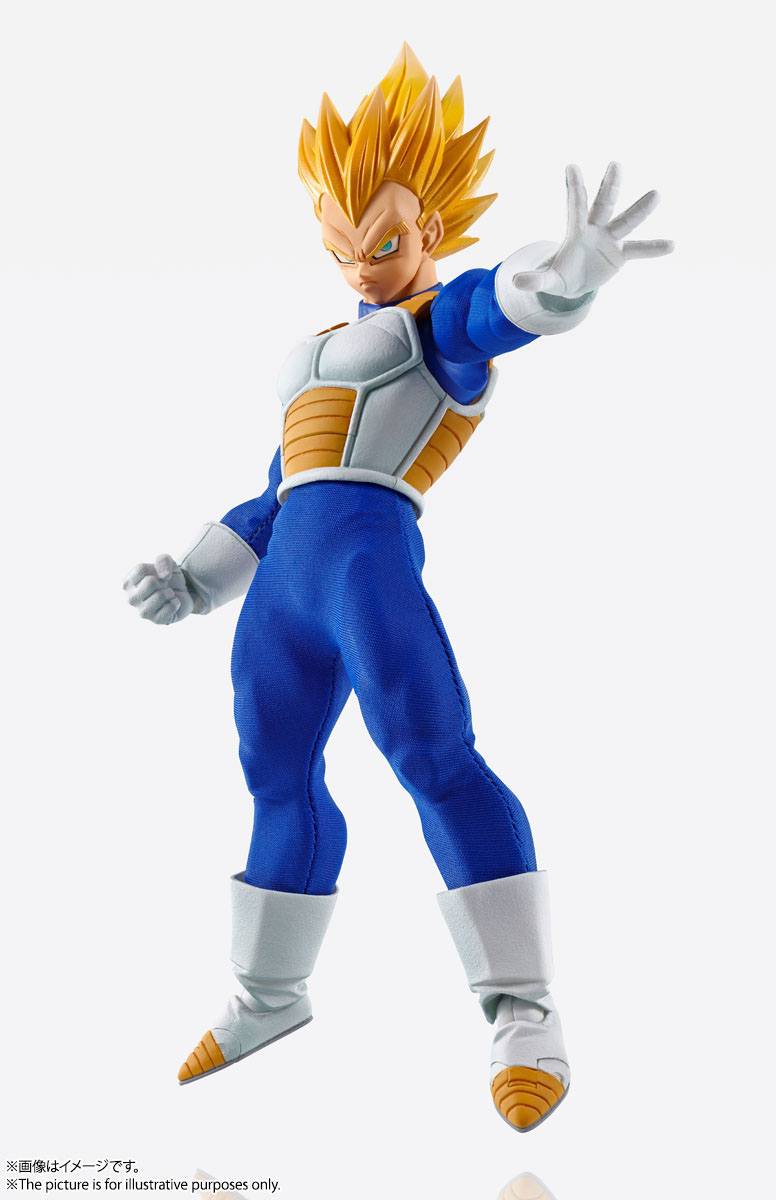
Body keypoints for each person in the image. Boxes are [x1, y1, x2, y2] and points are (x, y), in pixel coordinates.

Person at [124, 43, 672, 1130]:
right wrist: (190, 577)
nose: (358, 268)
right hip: (283, 589)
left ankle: (523, 1009)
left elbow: (494, 310)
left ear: (431, 226)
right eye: (339, 246)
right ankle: (268, 996)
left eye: (380, 243)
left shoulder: (432, 325)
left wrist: (561, 277)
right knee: (275, 775)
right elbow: (279, 491)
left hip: (369, 567)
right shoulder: (315, 350)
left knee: (430, 753)